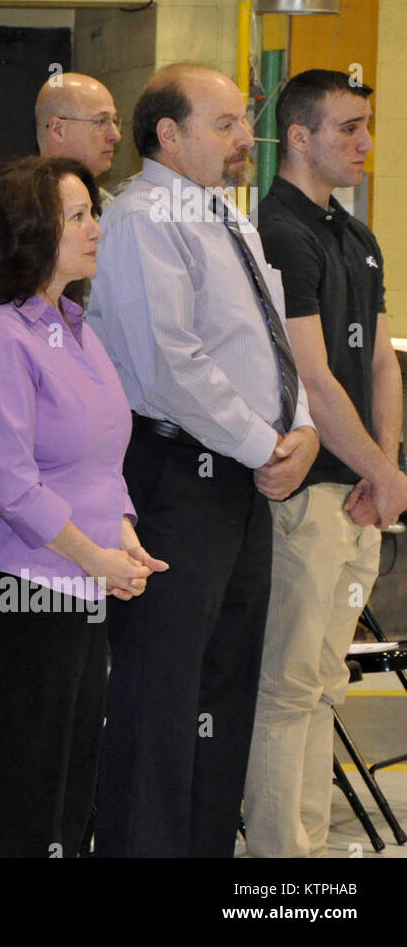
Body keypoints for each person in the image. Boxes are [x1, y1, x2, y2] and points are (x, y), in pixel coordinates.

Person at [89, 62, 320, 858]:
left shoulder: (229, 218)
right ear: (169, 134)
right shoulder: (144, 218)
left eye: (242, 122)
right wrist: (267, 446)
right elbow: (169, 363)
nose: (242, 138)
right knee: (160, 699)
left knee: (223, 688)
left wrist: (303, 430)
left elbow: (271, 344)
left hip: (240, 483)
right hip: (176, 480)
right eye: (224, 124)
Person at [0, 155, 166, 858]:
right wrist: (97, 556)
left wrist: (125, 536)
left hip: (88, 575)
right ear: (31, 232)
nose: (97, 229)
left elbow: (102, 457)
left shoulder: (73, 322)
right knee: (32, 777)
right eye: (78, 216)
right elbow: (11, 485)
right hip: (33, 585)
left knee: (77, 775)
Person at [245, 70, 406, 857]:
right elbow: (311, 376)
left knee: (327, 681)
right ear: (299, 137)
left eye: (367, 125)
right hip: (309, 492)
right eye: (348, 127)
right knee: (289, 683)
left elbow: (378, 361)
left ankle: (307, 846)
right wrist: (377, 469)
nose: (365, 143)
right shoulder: (278, 231)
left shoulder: (356, 235)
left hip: (361, 491)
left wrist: (390, 469)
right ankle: (285, 858)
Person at [35, 72, 124, 206]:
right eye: (100, 122)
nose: (116, 136)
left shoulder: (111, 208)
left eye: (115, 121)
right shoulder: (21, 210)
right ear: (58, 130)